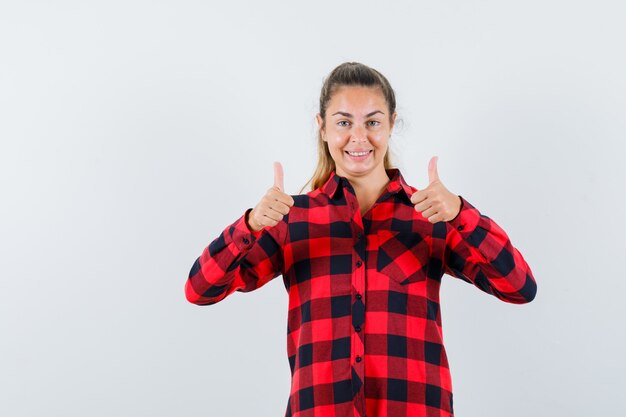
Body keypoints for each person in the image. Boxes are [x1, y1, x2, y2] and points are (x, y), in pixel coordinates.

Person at [185, 62, 537, 417]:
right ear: (321, 128)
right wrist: (249, 224)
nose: (358, 137)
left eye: (372, 122)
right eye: (343, 122)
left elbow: (519, 287)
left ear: (391, 125)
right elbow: (200, 290)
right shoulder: (291, 219)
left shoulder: (431, 215)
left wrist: (461, 213)